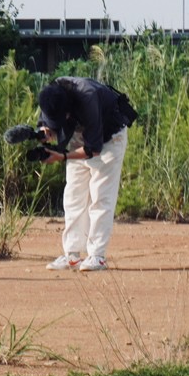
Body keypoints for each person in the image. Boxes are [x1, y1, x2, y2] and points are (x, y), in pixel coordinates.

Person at [35, 76, 137, 272]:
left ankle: (97, 256)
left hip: (108, 140)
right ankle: (72, 255)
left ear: (69, 110)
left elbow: (94, 149)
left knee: (100, 196)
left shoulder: (87, 96)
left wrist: (62, 157)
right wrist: (45, 131)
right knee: (73, 196)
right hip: (79, 139)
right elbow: (47, 124)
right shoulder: (52, 95)